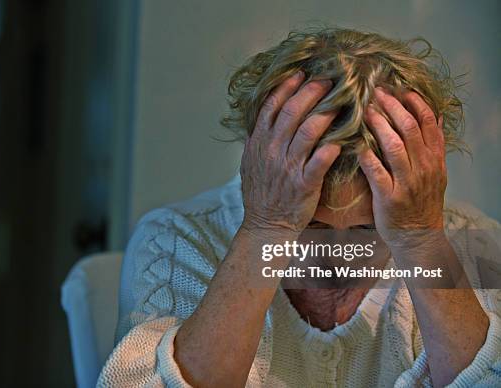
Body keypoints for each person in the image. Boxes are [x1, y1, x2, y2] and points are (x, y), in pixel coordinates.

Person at [98, 28, 501, 387]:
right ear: (261, 171)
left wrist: (419, 238)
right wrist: (267, 228)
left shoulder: (470, 242)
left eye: (368, 230)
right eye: (311, 226)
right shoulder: (178, 239)